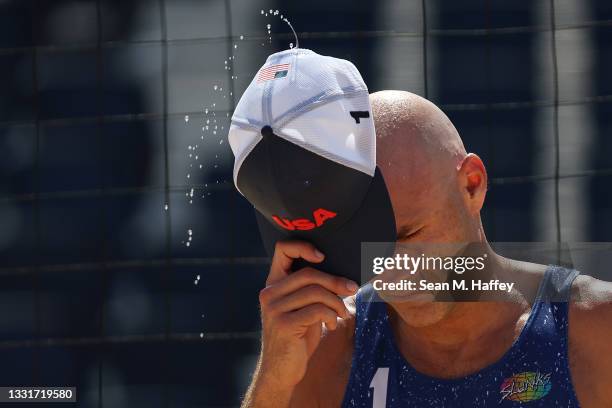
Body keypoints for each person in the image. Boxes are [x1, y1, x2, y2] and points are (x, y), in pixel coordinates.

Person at [240, 91, 612, 407]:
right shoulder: (331, 341)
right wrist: (273, 380)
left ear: (472, 185)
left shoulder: (594, 327)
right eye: (372, 245)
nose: (394, 267)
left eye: (411, 234)